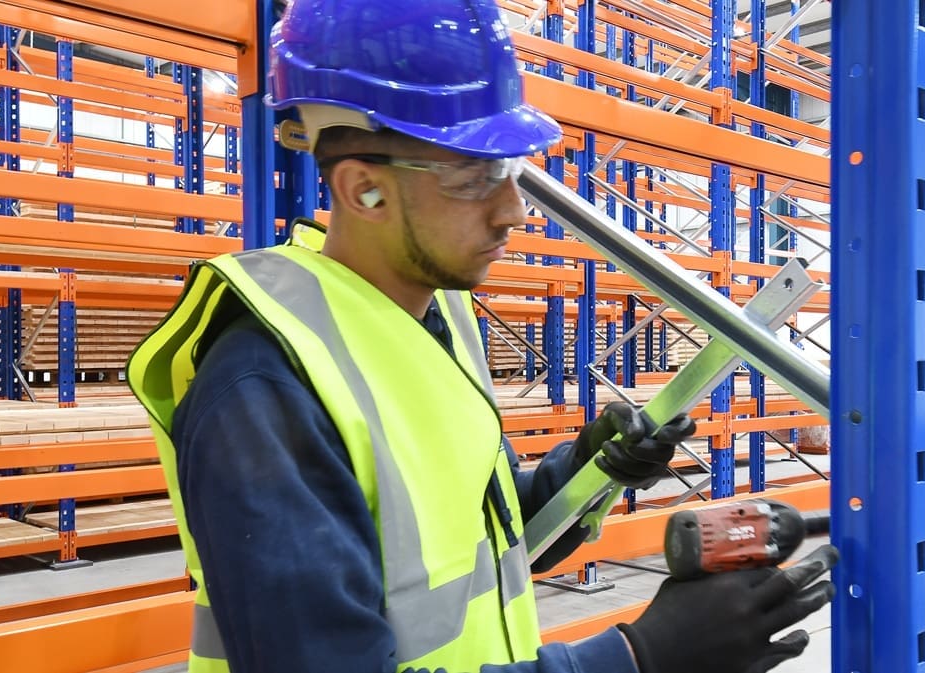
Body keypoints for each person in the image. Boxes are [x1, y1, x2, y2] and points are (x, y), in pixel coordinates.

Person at [125, 1, 834, 672]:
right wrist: (634, 657)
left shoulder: (434, 318)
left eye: (512, 171)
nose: (513, 209)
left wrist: (589, 471)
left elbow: (475, 544)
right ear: (362, 189)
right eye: (476, 176)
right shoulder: (264, 389)